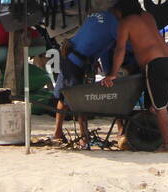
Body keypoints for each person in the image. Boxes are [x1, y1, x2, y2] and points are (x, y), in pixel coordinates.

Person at [103, 0, 168, 152]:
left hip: (156, 64)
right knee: (158, 103)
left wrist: (112, 73)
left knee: (160, 107)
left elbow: (120, 49)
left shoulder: (125, 23)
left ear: (121, 10)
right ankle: (156, 123)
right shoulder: (148, 16)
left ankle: (167, 144)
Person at [53, 9, 126, 144]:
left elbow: (96, 43)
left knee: (64, 96)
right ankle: (84, 137)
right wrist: (111, 74)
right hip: (76, 61)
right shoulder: (114, 24)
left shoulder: (99, 13)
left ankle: (58, 133)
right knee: (79, 99)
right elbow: (118, 48)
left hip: (67, 54)